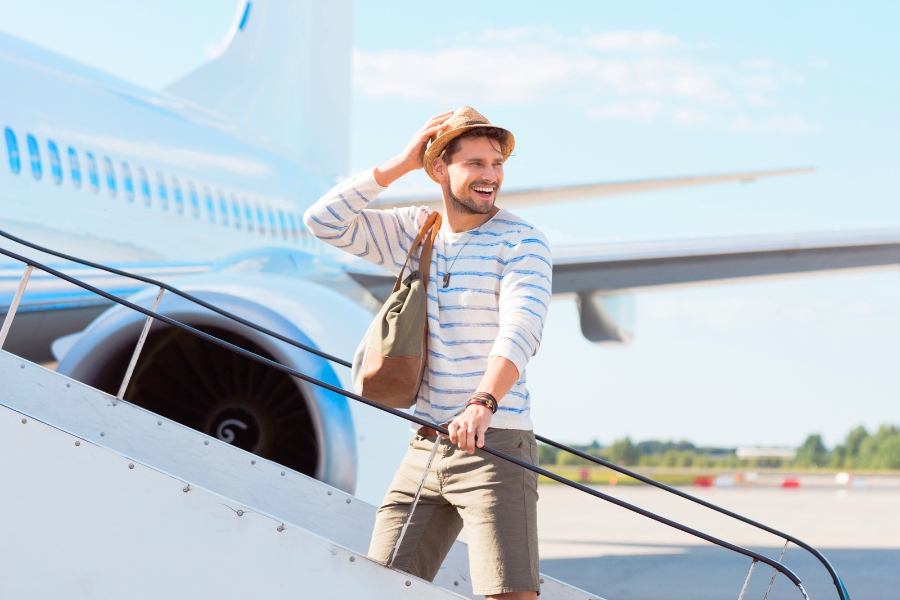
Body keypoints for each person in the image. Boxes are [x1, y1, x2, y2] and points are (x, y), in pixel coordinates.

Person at [304, 106, 551, 600]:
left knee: (508, 596)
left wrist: (483, 402)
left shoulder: (522, 242)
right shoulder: (417, 233)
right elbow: (323, 222)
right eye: (475, 163)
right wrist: (399, 163)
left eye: (497, 163)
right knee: (381, 585)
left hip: (494, 445)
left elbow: (522, 328)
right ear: (439, 168)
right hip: (426, 445)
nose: (490, 175)